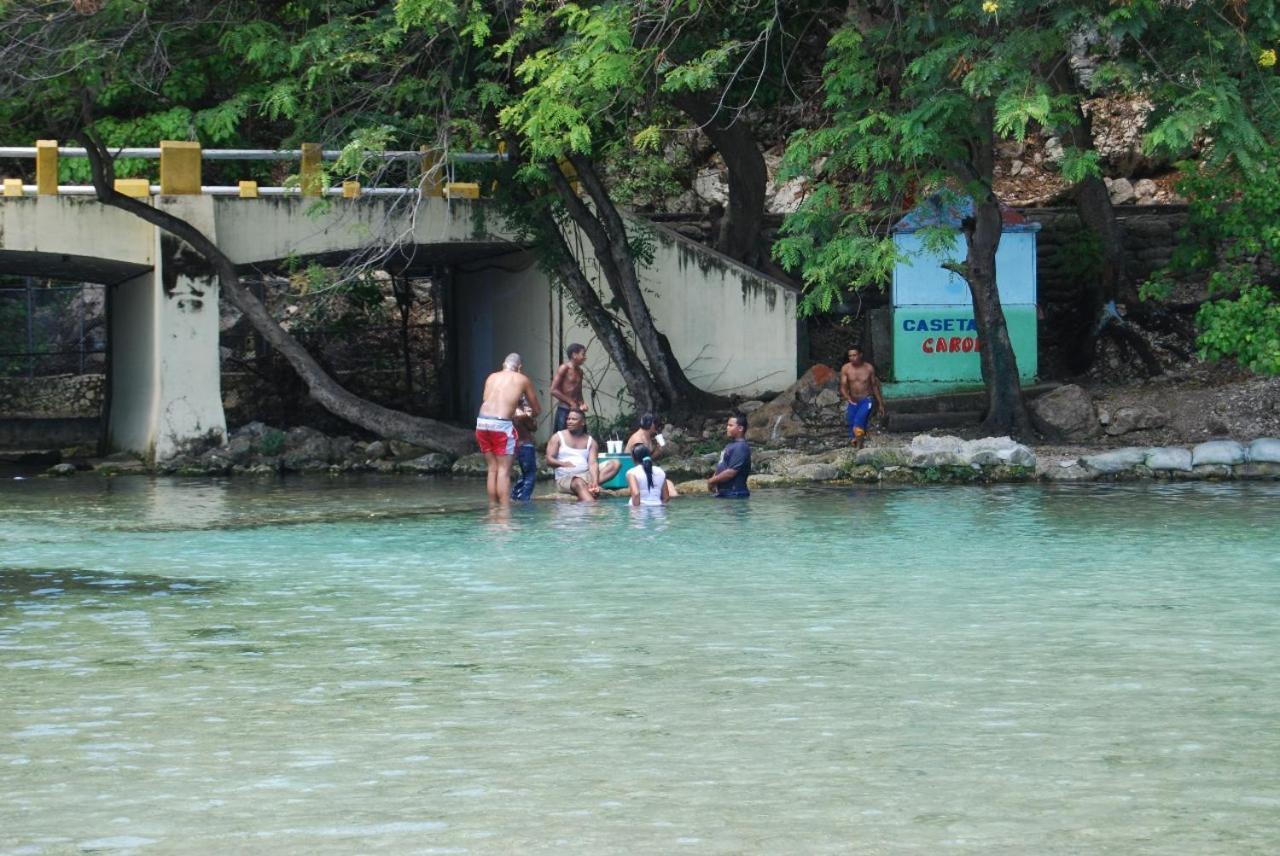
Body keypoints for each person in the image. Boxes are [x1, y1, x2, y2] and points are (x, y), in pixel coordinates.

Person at [476, 353, 540, 506]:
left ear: (503, 364)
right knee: (504, 470)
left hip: (482, 422)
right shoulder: (522, 379)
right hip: (501, 424)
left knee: (492, 468)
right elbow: (536, 409)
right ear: (519, 367)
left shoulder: (491, 377)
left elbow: (486, 400)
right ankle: (504, 512)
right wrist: (527, 413)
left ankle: (493, 508)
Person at [545, 409, 621, 501]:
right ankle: (594, 508)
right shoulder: (558, 437)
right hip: (565, 478)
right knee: (578, 482)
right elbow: (549, 459)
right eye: (568, 419)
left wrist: (595, 481)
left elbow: (592, 463)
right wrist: (563, 464)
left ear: (583, 422)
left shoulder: (591, 441)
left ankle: (591, 486)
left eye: (574, 419)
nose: (569, 421)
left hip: (585, 475)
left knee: (615, 464)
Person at [840, 345, 886, 450]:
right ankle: (858, 441)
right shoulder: (846, 368)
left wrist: (880, 404)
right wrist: (848, 398)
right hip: (853, 400)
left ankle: (859, 446)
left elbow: (874, 386)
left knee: (858, 421)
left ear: (860, 355)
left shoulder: (868, 368)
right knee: (851, 422)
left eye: (854, 355)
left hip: (867, 399)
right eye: (850, 356)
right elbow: (843, 387)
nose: (852, 358)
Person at [707, 413, 751, 498]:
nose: (727, 428)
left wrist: (711, 481)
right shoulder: (731, 445)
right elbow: (722, 465)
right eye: (727, 425)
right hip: (726, 493)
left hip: (735, 493)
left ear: (740, 428)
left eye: (730, 425)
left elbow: (731, 472)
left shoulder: (741, 447)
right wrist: (714, 481)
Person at [550, 343, 588, 432]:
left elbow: (578, 391)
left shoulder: (580, 371)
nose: (585, 357)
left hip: (577, 410)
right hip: (564, 410)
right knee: (562, 438)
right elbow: (553, 390)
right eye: (583, 354)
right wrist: (571, 402)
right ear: (574, 355)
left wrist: (582, 403)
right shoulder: (564, 368)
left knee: (581, 436)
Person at [509, 398, 539, 502]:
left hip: (516, 446)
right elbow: (533, 427)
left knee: (524, 473)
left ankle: (514, 496)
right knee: (530, 474)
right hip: (526, 445)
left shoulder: (509, 410)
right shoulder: (521, 415)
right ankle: (524, 499)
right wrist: (530, 415)